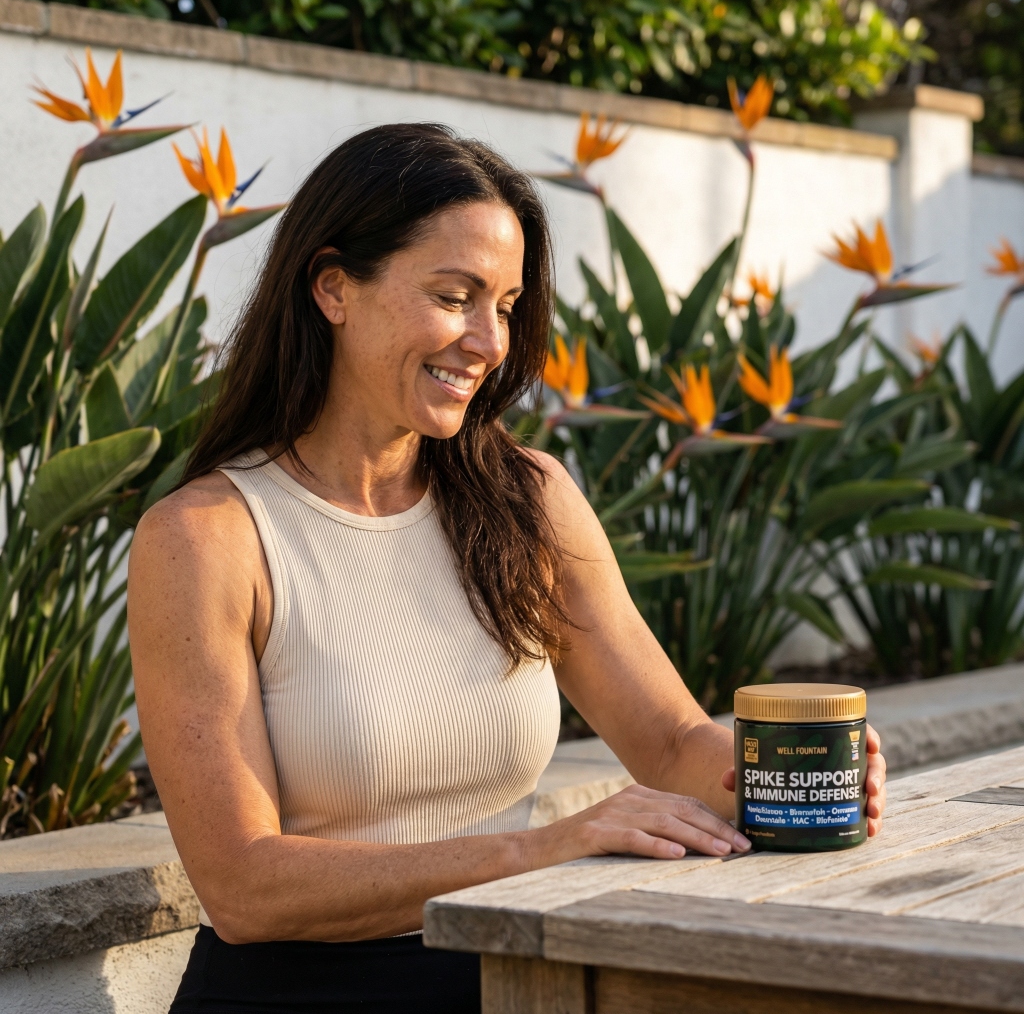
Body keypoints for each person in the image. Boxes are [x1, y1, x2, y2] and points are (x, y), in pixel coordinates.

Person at [128, 123, 887, 1014]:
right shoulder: (208, 537)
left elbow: (673, 742)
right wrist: (543, 851)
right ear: (333, 287)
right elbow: (246, 888)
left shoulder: (526, 498)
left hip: (517, 982)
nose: (489, 342)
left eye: (508, 303)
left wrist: (784, 774)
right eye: (455, 296)